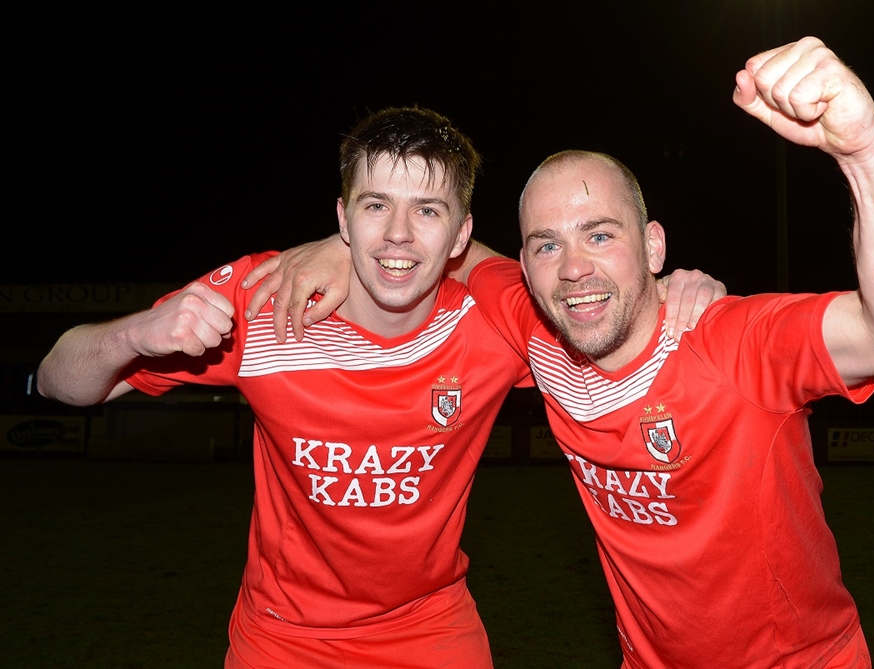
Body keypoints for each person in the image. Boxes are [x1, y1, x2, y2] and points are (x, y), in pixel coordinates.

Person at [246, 37, 874, 668]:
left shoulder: (731, 341)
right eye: (547, 245)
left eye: (600, 235)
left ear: (654, 247)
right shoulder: (534, 323)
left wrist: (865, 153)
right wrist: (337, 247)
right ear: (524, 265)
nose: (573, 267)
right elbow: (445, 251)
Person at [36, 107, 722, 668]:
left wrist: (683, 291)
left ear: (462, 233)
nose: (397, 234)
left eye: (427, 210)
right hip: (283, 638)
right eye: (376, 206)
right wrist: (135, 334)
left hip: (433, 630)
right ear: (342, 217)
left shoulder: (495, 325)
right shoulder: (266, 301)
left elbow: (608, 313)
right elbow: (62, 380)